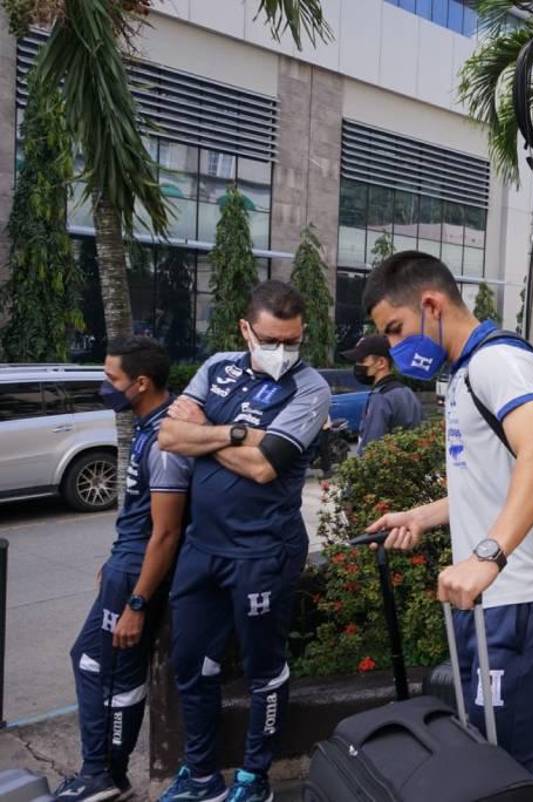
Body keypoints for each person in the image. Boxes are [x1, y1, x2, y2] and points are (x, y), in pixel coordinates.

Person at [363, 251, 533, 779]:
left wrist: (488, 555)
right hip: (493, 597)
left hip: (521, 594)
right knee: (491, 752)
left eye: (395, 330)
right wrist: (419, 516)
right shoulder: (464, 372)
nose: (392, 349)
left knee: (506, 763)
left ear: (432, 305)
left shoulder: (498, 362)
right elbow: (490, 484)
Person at [155, 280, 331, 802]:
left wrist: (206, 429)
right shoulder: (217, 366)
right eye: (272, 340)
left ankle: (255, 779)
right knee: (191, 665)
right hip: (202, 548)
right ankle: (202, 775)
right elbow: (169, 434)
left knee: (263, 669)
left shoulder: (310, 388)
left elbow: (262, 468)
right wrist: (235, 433)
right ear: (245, 330)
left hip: (263, 551)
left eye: (293, 341)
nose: (283, 352)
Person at [53, 337, 192, 802]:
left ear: (141, 383)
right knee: (110, 668)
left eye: (111, 378)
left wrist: (135, 600)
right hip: (127, 566)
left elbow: (167, 532)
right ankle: (107, 773)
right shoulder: (149, 425)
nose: (105, 386)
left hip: (137, 576)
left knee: (100, 666)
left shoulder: (166, 439)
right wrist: (114, 564)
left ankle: (101, 775)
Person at [341, 333, 424, 454]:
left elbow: (370, 449)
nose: (357, 366)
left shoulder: (380, 398)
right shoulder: (407, 392)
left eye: (361, 360)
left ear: (381, 363)